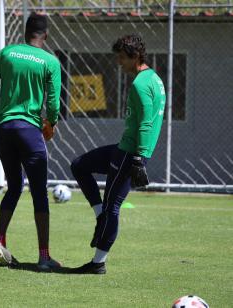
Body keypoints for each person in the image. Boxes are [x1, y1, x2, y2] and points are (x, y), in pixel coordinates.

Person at [69, 33, 166, 274]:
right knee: (79, 165)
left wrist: (138, 158)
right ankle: (99, 214)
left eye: (122, 58)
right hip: (125, 148)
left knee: (113, 206)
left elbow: (145, 122)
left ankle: (98, 263)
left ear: (135, 57)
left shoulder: (141, 83)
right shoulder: (154, 77)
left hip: (130, 153)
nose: (118, 62)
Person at [0, 13, 62, 271]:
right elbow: (53, 103)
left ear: (25, 33)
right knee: (39, 192)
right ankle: (44, 257)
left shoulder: (7, 53)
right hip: (29, 131)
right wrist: (51, 123)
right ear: (45, 35)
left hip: (4, 128)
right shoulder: (50, 61)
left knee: (14, 186)